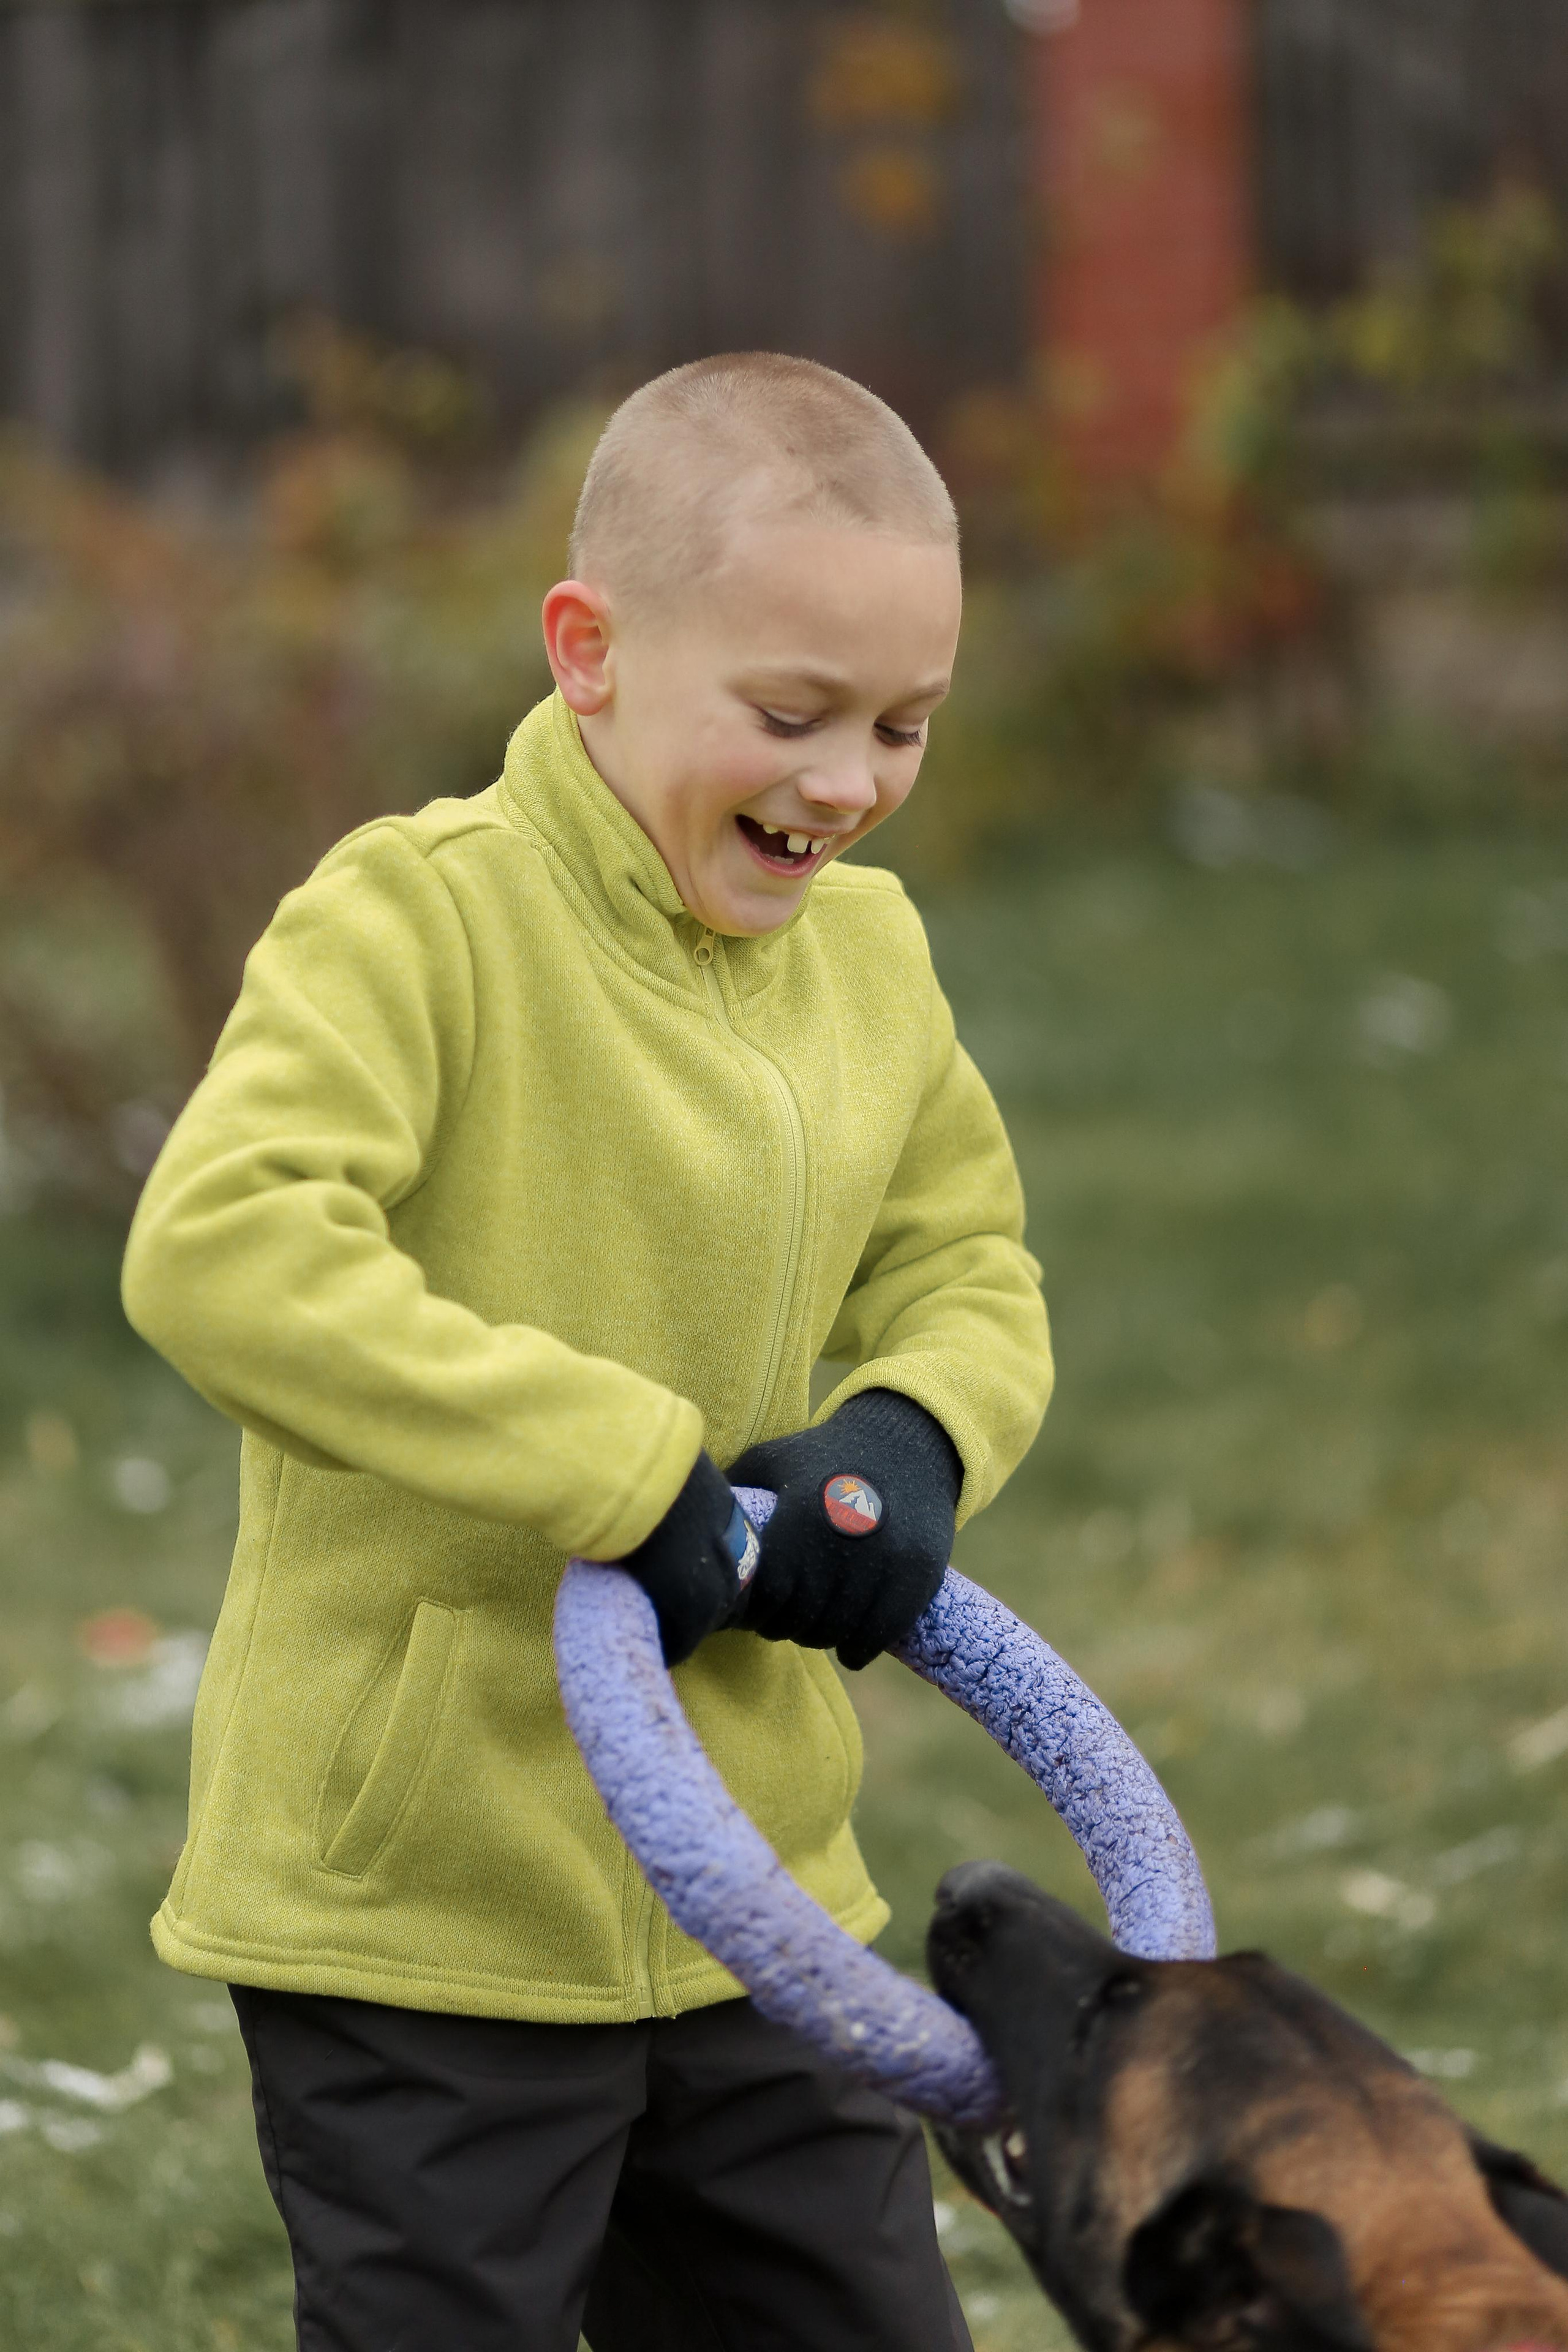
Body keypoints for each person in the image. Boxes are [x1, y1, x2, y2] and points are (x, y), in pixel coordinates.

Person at [122, 351, 1054, 2351]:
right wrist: (625, 1473)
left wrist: (911, 1429)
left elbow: (970, 1258)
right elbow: (222, 1248)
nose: (848, 782)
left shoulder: (871, 962)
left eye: (905, 724)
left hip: (756, 1890)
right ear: (592, 652)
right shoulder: (420, 923)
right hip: (425, 1911)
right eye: (791, 715)